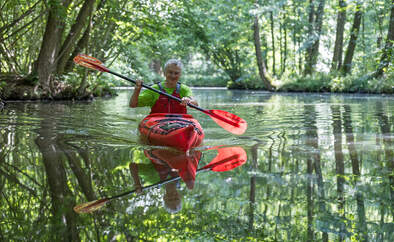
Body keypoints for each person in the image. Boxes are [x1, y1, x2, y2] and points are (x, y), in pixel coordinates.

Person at [129, 59, 198, 114]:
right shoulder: (154, 89)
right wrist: (137, 90)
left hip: (180, 123)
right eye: (170, 72)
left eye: (176, 73)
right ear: (164, 73)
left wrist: (189, 100)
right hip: (158, 123)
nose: (173, 76)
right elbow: (132, 105)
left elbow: (195, 104)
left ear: (180, 74)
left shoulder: (184, 89)